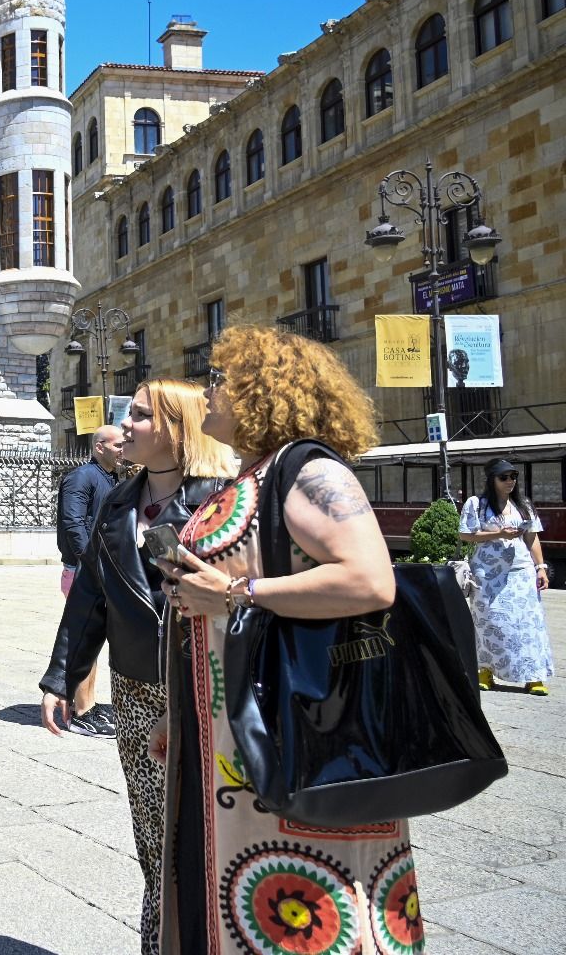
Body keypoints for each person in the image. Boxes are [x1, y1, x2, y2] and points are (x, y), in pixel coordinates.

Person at [150, 326, 420, 954]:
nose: (208, 391)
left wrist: (239, 596)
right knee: (232, 887)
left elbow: (370, 580)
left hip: (295, 724)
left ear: (259, 390)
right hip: (224, 729)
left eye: (218, 379)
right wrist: (179, 710)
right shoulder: (256, 474)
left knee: (298, 902)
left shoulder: (309, 469)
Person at [40, 380, 234, 953]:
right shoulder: (117, 501)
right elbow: (91, 597)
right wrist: (62, 674)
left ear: (177, 429)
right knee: (154, 837)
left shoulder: (219, 499)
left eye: (141, 417)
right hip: (137, 690)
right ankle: (161, 939)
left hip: (207, 689)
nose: (125, 425)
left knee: (210, 835)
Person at [52, 424, 126, 738]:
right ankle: (82, 712)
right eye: (119, 444)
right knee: (86, 641)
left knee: (94, 640)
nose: (125, 448)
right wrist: (91, 564)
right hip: (84, 572)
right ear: (99, 447)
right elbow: (72, 522)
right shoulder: (82, 477)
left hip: (100, 571)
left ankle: (86, 704)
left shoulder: (112, 478)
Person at [460, 457, 552, 695]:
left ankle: (533, 676)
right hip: (487, 574)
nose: (510, 481)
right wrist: (497, 534)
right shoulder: (476, 504)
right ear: (492, 479)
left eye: (513, 476)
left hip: (520, 572)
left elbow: (532, 537)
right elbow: (466, 535)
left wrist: (540, 567)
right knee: (490, 622)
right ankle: (486, 670)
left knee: (527, 624)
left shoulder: (524, 505)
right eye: (504, 477)